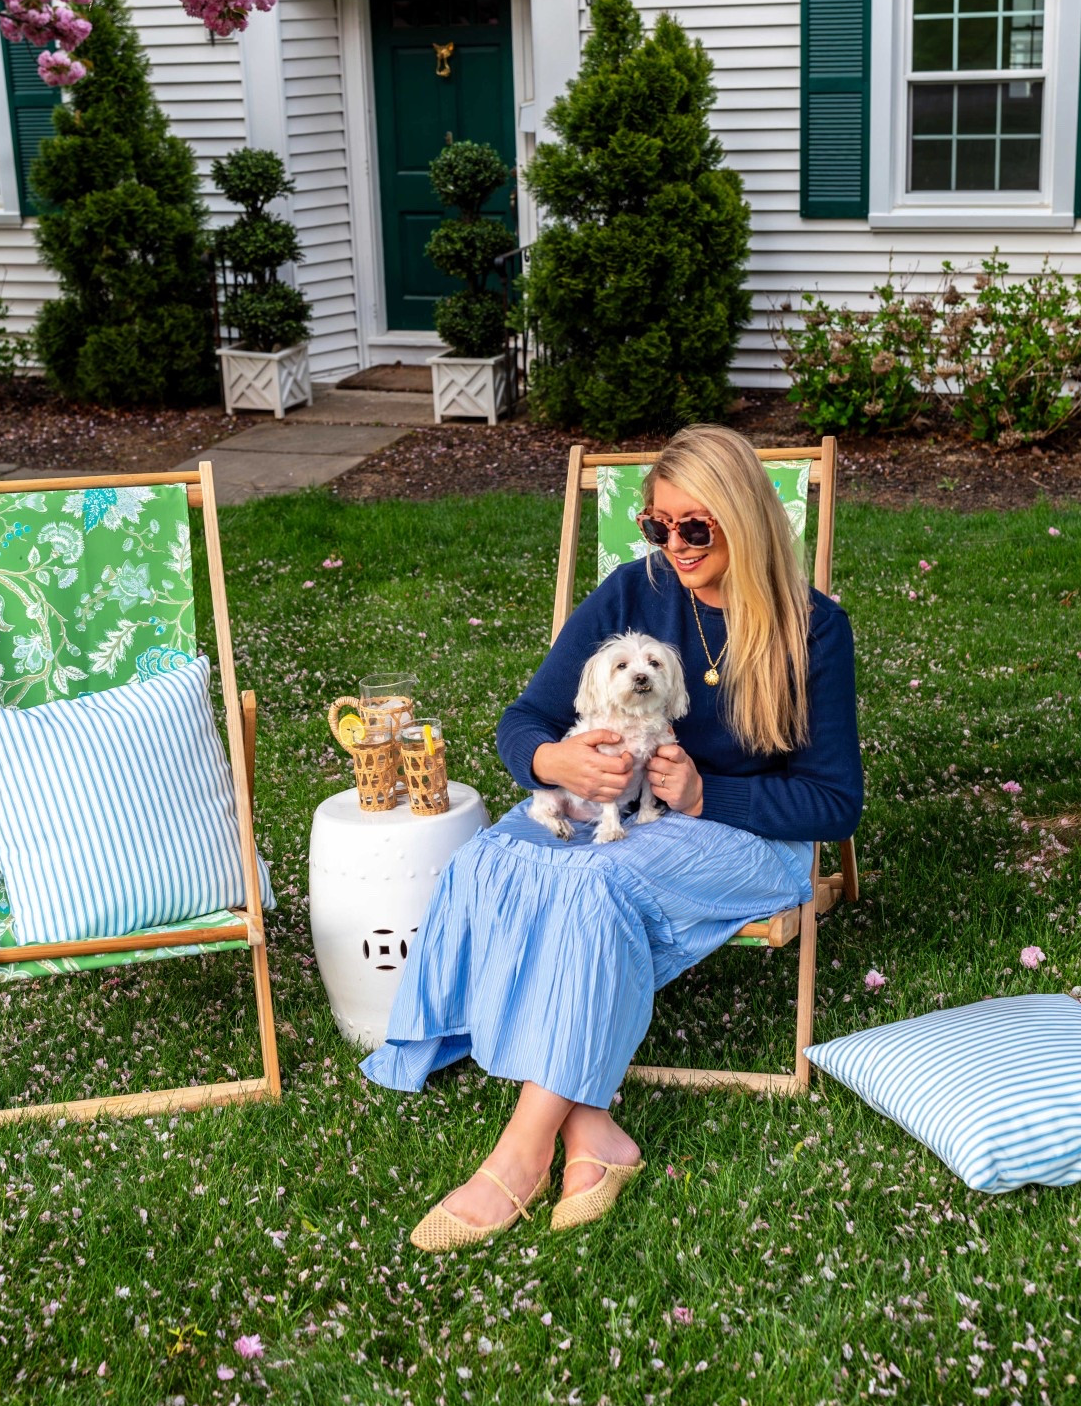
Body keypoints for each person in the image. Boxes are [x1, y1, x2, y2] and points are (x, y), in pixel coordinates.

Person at [361, 424, 863, 1249]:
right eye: (656, 526)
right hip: (626, 818)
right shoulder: (637, 589)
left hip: (747, 838)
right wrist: (555, 756)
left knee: (593, 884)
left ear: (741, 518)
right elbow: (523, 720)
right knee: (490, 861)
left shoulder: (813, 628)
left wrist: (709, 791)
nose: (673, 545)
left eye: (693, 527)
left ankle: (519, 1154)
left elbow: (833, 805)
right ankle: (592, 1129)